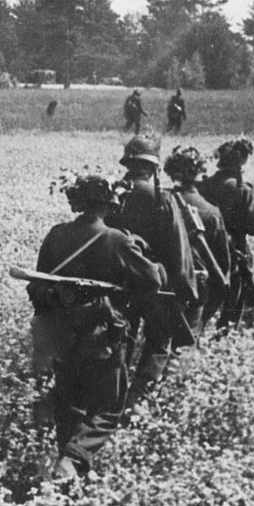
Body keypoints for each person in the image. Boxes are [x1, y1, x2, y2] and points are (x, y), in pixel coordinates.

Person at [29, 169, 165, 481]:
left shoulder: (56, 235)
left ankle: (68, 474)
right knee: (108, 410)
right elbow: (153, 280)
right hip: (100, 338)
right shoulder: (117, 240)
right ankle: (71, 462)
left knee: (69, 405)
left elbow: (36, 286)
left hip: (59, 338)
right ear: (109, 204)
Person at [105, 135, 197, 409]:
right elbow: (179, 248)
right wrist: (186, 289)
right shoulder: (161, 198)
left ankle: (112, 397)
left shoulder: (110, 194)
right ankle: (136, 400)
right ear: (154, 167)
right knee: (159, 341)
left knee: (123, 337)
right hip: (156, 284)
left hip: (118, 281)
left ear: (127, 163)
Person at [198, 137, 254, 329]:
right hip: (234, 251)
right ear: (242, 161)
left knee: (205, 302)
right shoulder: (243, 189)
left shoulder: (203, 185)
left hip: (205, 249)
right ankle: (224, 339)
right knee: (233, 305)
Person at [163, 146, 231, 332]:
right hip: (197, 283)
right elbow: (223, 264)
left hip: (164, 281)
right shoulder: (211, 212)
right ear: (200, 172)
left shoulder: (161, 204)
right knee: (188, 340)